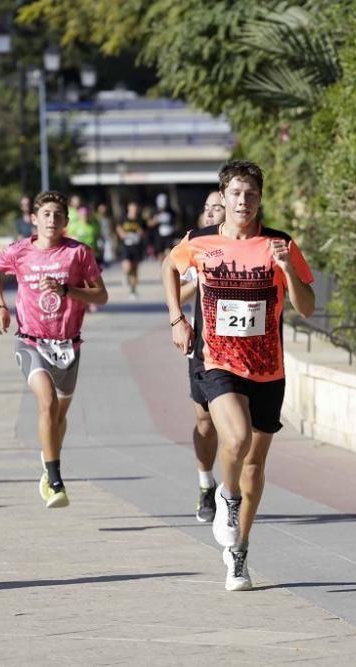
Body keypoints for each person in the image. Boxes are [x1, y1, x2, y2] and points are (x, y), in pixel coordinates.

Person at [163, 160, 316, 591]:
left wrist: (287, 270)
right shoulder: (200, 241)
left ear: (260, 198)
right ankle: (226, 499)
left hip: (268, 367)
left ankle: (239, 550)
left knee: (254, 465)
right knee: (235, 439)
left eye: (250, 194)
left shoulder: (280, 243)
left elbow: (307, 307)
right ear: (223, 197)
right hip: (219, 361)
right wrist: (177, 319)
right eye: (235, 193)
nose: (243, 201)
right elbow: (168, 268)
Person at [0, 190, 109, 509]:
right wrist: (0, 306)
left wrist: (68, 290)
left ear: (66, 221)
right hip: (31, 340)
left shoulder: (79, 253)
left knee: (58, 415)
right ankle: (55, 481)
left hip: (68, 344)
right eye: (46, 214)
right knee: (47, 402)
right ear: (34, 219)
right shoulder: (19, 251)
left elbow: (101, 296)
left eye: (57, 215)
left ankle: (48, 460)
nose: (51, 219)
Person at [164, 191, 226, 524]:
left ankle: (232, 492)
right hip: (204, 344)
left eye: (217, 207)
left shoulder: (251, 242)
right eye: (207, 208)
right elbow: (176, 284)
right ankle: (206, 482)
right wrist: (203, 278)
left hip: (241, 350)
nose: (211, 213)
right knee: (205, 422)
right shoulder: (197, 245)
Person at [116, 201, 145, 299]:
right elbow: (118, 227)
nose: (134, 210)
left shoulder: (140, 219)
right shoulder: (124, 218)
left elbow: (144, 231)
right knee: (127, 265)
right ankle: (125, 275)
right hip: (126, 246)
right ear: (129, 208)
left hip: (137, 247)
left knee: (135, 270)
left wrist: (140, 233)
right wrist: (122, 234)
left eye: (135, 208)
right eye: (132, 208)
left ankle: (133, 290)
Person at [153, 192, 178, 260]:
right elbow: (150, 223)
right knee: (161, 257)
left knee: (168, 254)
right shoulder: (155, 212)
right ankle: (163, 269)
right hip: (159, 236)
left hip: (169, 236)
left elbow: (176, 222)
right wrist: (156, 220)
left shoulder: (171, 211)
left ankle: (167, 269)